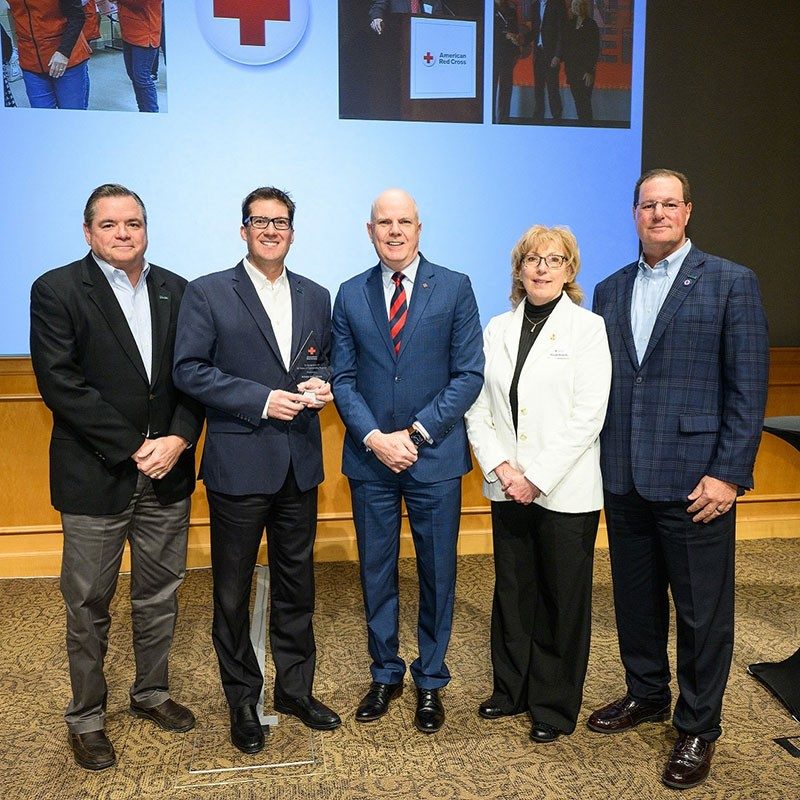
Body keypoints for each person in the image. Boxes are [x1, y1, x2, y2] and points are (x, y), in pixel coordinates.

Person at [589, 169, 770, 789]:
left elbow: (749, 390)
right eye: (648, 204)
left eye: (670, 204)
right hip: (626, 477)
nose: (658, 213)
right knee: (636, 602)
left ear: (688, 211)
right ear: (633, 212)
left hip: (698, 483)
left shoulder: (730, 282)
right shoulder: (609, 290)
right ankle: (646, 693)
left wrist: (729, 474)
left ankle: (698, 726)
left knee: (701, 614)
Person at [29, 184, 204, 771]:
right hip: (95, 476)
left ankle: (151, 693)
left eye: (133, 223)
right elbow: (61, 385)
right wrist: (135, 447)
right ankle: (86, 719)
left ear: (146, 228)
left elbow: (194, 378)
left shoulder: (177, 290)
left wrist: (178, 439)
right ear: (88, 233)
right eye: (109, 225)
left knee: (158, 596)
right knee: (88, 603)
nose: (123, 234)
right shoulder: (56, 290)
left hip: (167, 475)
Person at [173, 187, 341, 755]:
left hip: (299, 465)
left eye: (281, 221)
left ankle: (295, 690)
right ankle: (243, 698)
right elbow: (190, 371)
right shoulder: (208, 292)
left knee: (298, 586)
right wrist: (263, 398)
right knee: (232, 592)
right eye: (260, 220)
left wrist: (326, 384)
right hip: (239, 465)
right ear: (242, 229)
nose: (271, 229)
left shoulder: (317, 296)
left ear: (293, 232)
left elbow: (328, 361)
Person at [331, 188, 484, 734]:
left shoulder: (456, 287)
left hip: (434, 459)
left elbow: (469, 375)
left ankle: (431, 679)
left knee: (437, 574)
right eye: (383, 222)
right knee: (376, 572)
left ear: (420, 228)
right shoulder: (349, 294)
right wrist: (375, 436)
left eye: (404, 222)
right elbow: (342, 379)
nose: (394, 231)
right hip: (371, 459)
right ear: (369, 230)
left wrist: (415, 435)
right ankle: (385, 671)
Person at [465, 225, 610, 743]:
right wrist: (503, 469)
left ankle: (552, 704)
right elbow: (478, 408)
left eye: (554, 259)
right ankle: (511, 690)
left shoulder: (588, 329)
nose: (542, 268)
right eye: (532, 259)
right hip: (508, 485)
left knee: (560, 597)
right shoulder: (496, 328)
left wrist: (537, 478)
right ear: (519, 269)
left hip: (564, 489)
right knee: (514, 591)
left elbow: (588, 417)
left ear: (570, 270)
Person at [7, 0, 91, 109]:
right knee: (42, 117)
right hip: (30, 60)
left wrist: (64, 52)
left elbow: (77, 16)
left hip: (67, 57)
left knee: (71, 115)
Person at [117, 0, 161, 112]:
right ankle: (143, 111)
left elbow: (139, 3)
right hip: (129, 31)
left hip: (145, 34)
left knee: (142, 78)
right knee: (134, 76)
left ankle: (151, 114)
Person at [525, 0, 566, 121]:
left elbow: (561, 32)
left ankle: (557, 117)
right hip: (538, 54)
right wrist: (522, 39)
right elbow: (534, 31)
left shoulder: (558, 3)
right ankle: (538, 117)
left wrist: (558, 55)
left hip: (552, 54)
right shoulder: (535, 5)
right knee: (538, 88)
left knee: (553, 88)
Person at [563, 0, 599, 123]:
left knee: (585, 102)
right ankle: (582, 128)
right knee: (578, 101)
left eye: (580, 4)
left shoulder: (591, 24)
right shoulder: (569, 24)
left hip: (586, 70)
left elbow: (595, 49)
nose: (578, 7)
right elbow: (565, 47)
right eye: (575, 5)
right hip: (572, 70)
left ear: (585, 6)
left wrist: (589, 70)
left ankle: (588, 130)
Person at [493, 0, 522, 124]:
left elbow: (515, 29)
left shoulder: (511, 9)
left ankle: (503, 120)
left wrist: (517, 39)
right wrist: (505, 35)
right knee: (490, 89)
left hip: (507, 55)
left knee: (506, 90)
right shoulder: (488, 7)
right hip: (492, 54)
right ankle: (489, 120)